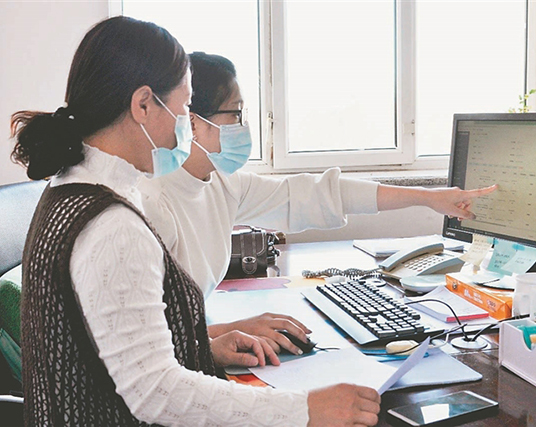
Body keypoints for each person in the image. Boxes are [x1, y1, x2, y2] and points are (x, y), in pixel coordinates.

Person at [12, 16, 380, 426]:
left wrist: (203, 347)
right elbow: (157, 393)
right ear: (144, 104)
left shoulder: (69, 187)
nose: (185, 124)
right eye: (185, 106)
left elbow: (112, 352)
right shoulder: (112, 225)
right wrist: (304, 410)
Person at [139, 52, 497, 354]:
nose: (243, 127)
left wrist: (431, 199)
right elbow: (142, 340)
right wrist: (224, 334)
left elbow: (319, 194)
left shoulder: (221, 182)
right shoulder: (153, 202)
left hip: (194, 339)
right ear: (194, 123)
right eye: (236, 114)